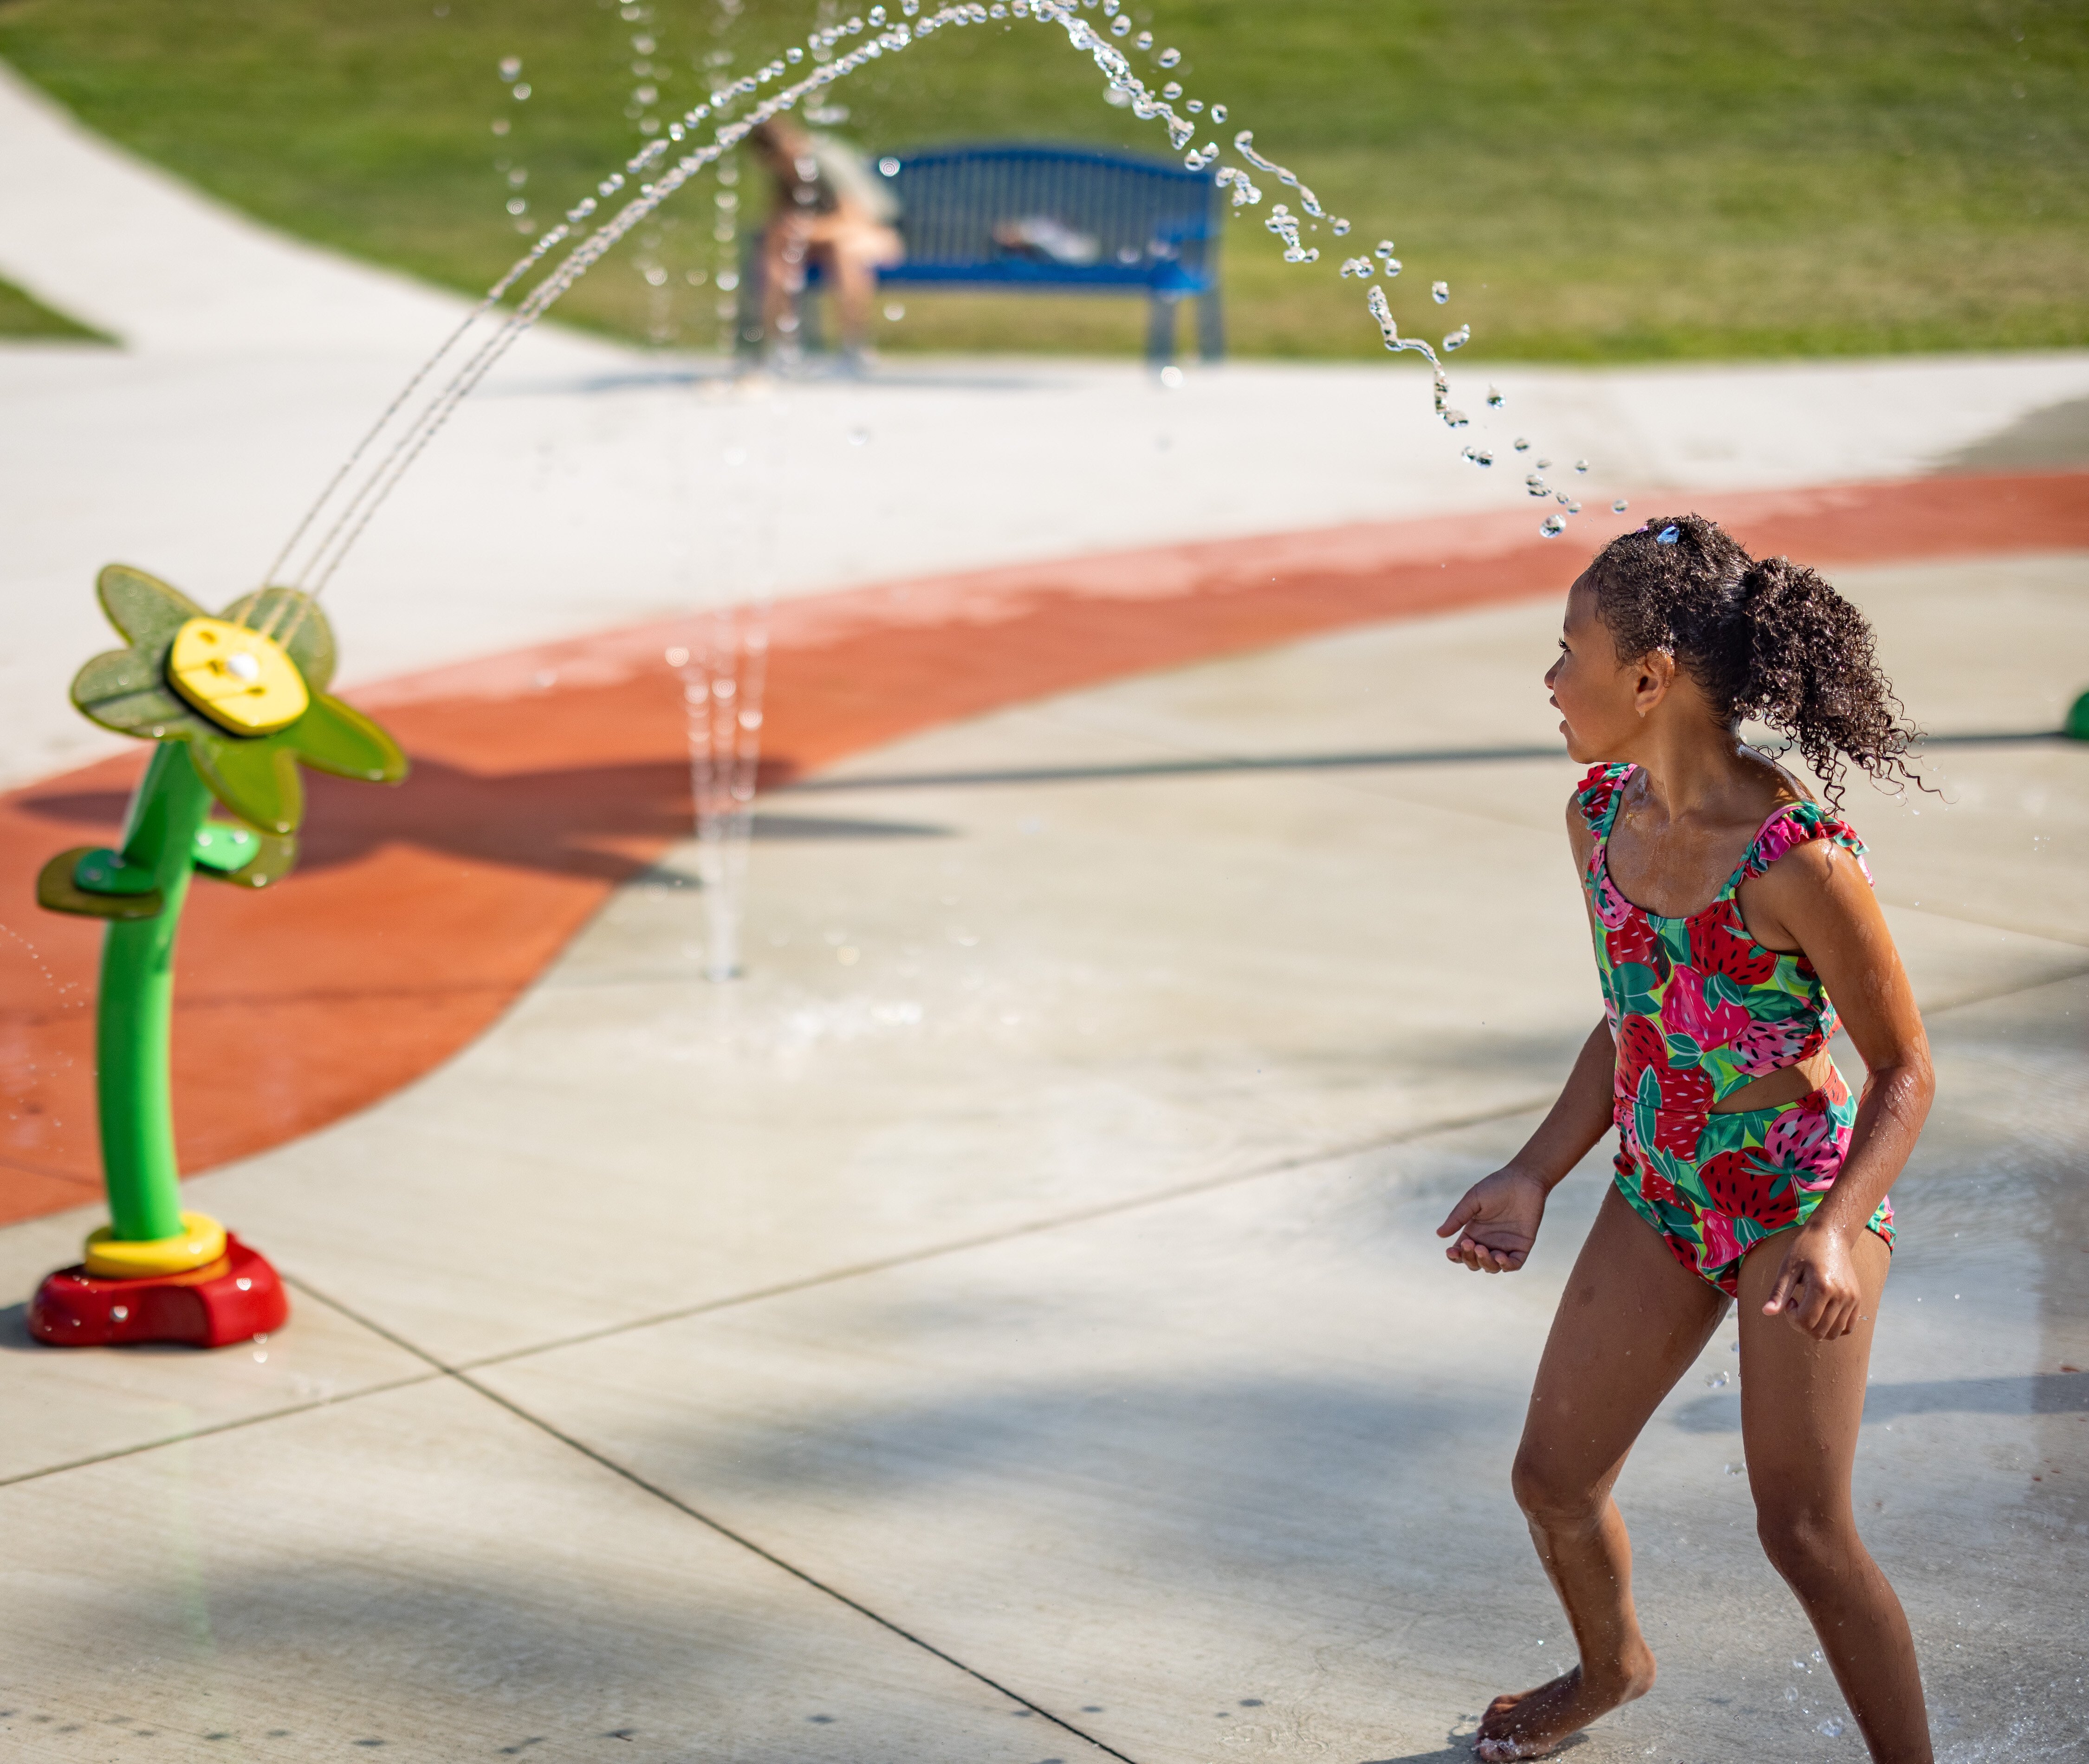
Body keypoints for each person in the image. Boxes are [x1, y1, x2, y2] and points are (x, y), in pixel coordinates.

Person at [1438, 515, 1935, 1762]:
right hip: (1660, 1193)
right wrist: (1530, 1172)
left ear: (1649, 679)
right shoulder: (1596, 818)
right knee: (1551, 1481)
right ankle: (1611, 1668)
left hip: (1790, 1206)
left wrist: (1830, 1233)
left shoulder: (1795, 859)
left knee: (1803, 1534)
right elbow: (1635, 1022)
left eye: (1569, 653)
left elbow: (1903, 1071)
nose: (1550, 681)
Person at [746, 116, 903, 367]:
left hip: (875, 234)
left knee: (845, 252)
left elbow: (857, 219)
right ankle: (780, 346)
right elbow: (777, 222)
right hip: (823, 240)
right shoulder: (785, 174)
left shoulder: (825, 161)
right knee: (777, 255)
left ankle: (855, 346)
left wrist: (807, 231)